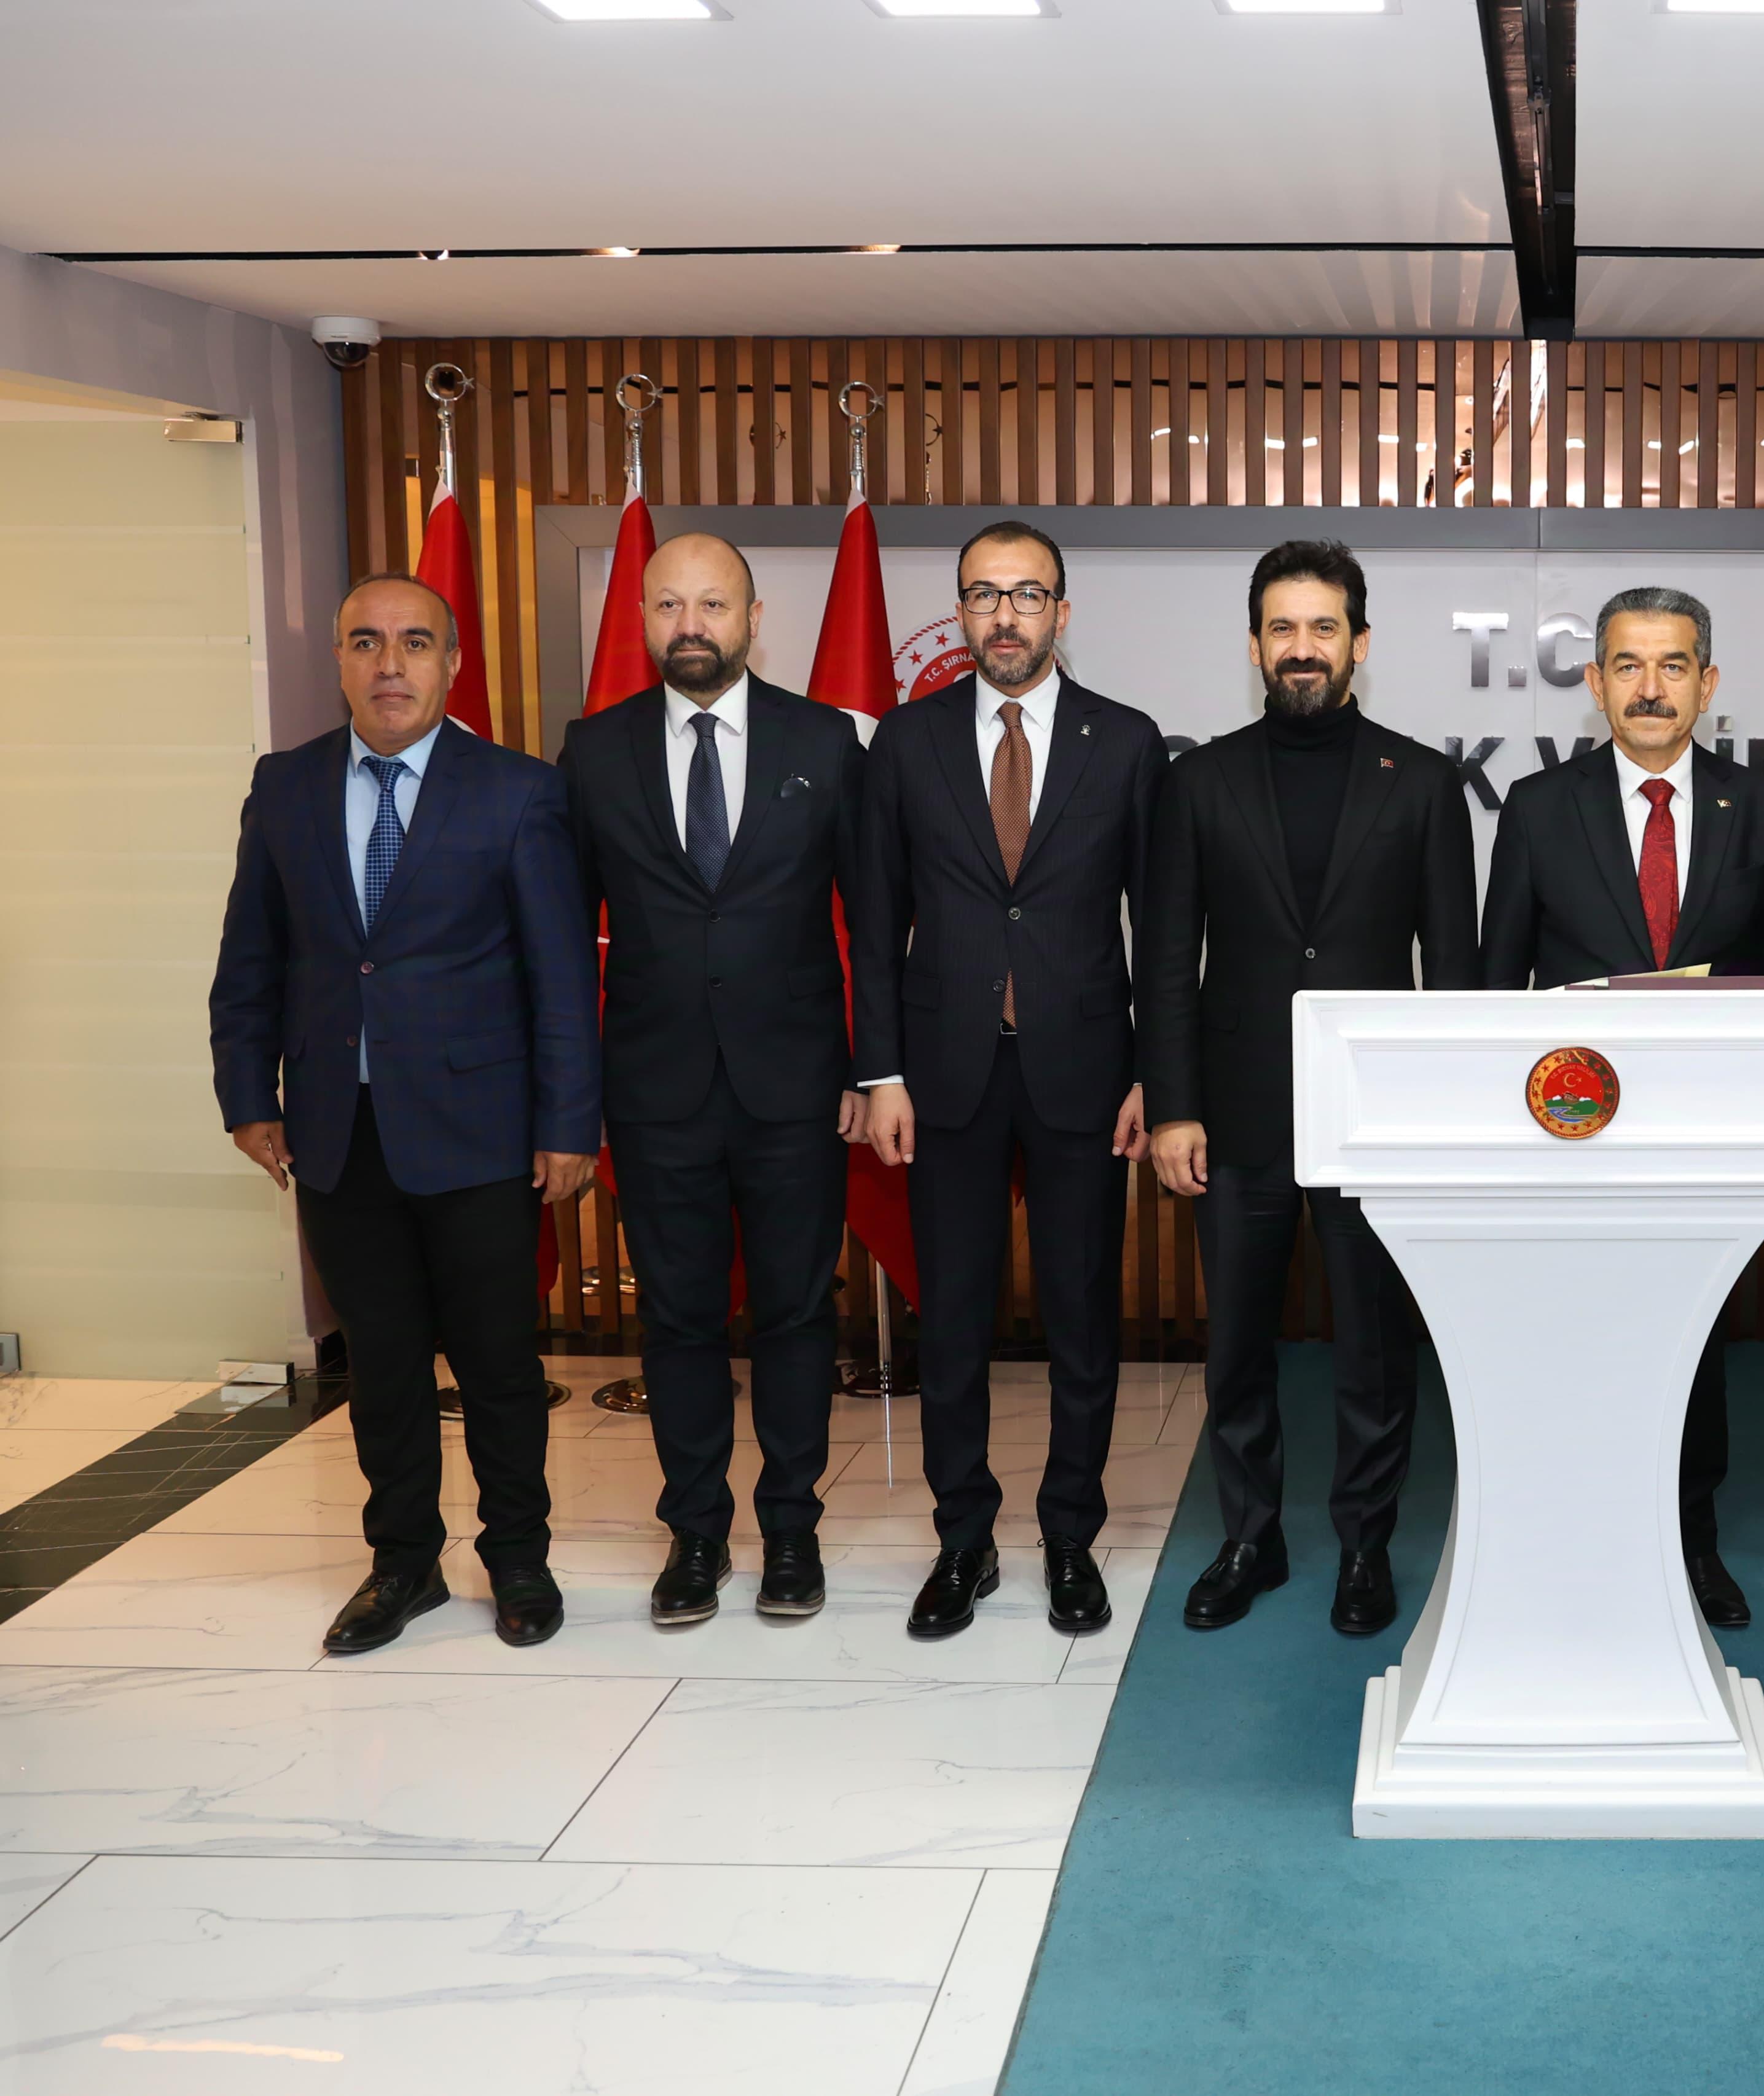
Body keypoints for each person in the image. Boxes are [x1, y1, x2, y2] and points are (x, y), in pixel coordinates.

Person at [211, 576, 599, 1655]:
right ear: (338, 660)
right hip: (338, 1130)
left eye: (415, 643)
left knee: (498, 1365)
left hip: (481, 1133)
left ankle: (518, 1558)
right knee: (379, 1366)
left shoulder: (517, 792)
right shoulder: (283, 788)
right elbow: (251, 957)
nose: (391, 663)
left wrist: (569, 1123)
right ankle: (403, 1566)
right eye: (367, 642)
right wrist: (249, 1096)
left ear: (451, 663)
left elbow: (561, 976)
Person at [1139, 540, 1480, 1637]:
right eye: (1282, 629)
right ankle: (1251, 1537)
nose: (1302, 648)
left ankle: (1364, 1546)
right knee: (1237, 1343)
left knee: (1374, 1350)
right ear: (1253, 646)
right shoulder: (1198, 782)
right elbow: (1167, 961)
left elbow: (1458, 976)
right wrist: (1174, 1102)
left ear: (1360, 644)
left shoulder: (1424, 782)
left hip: (1377, 1122)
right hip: (1234, 1117)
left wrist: (1440, 1121)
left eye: (1323, 628)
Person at [853, 523, 1164, 1641]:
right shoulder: (906, 741)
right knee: (954, 1324)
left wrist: (1156, 1075)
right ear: (963, 613)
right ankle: (964, 1540)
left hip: (1088, 1073)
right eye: (982, 596)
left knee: (1084, 1315)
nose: (1004, 616)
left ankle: (1071, 1536)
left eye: (1027, 595)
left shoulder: (1126, 744)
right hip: (944, 1076)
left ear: (1062, 614)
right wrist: (879, 1071)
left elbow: (1161, 928)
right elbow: (878, 916)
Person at [559, 533, 866, 1627]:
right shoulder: (592, 752)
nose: (691, 625)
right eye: (668, 606)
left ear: (752, 616)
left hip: (796, 1089)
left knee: (793, 1319)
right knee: (679, 1324)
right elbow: (560, 938)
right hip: (654, 1090)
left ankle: (790, 1534)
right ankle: (696, 1535)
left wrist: (874, 1069)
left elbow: (874, 924)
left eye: (714, 605)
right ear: (642, 618)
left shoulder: (826, 742)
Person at [1480, 586, 1764, 1629]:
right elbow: (1497, 987)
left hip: (1704, 1138)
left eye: (1672, 666)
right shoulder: (1538, 808)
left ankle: (1690, 1541)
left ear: (1708, 683)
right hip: (1569, 1132)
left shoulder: (1763, 811)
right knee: (1574, 1341)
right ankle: (1571, 1534)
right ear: (1595, 682)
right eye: (1627, 665)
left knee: (1694, 1347)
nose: (1650, 688)